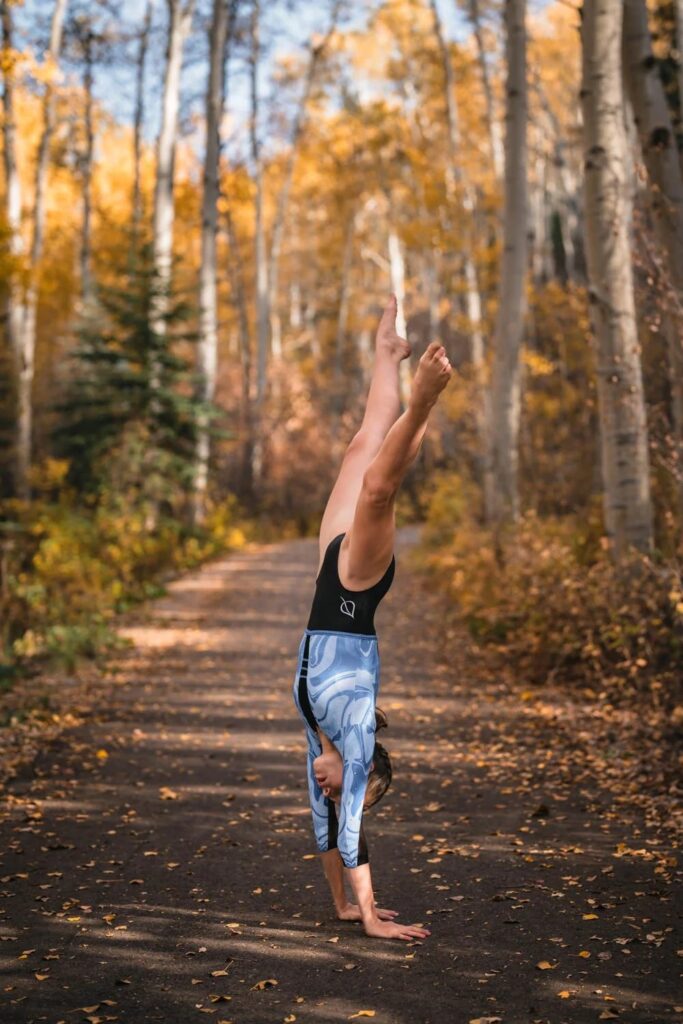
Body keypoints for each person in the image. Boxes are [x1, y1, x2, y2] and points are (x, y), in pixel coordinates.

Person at [292, 294, 452, 941]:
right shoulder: (352, 743)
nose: (327, 789)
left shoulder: (320, 747)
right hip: (356, 589)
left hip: (328, 576)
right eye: (340, 789)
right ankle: (423, 401)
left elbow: (326, 828)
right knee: (380, 488)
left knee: (362, 443)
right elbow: (351, 829)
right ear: (362, 775)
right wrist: (368, 917)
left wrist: (338, 904)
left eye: (330, 790)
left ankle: (388, 354)